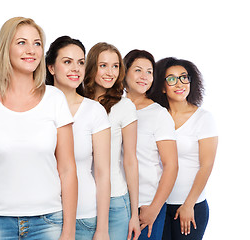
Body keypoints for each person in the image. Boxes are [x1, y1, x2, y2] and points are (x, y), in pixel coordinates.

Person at [0, 17, 78, 240]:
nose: (31, 50)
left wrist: (69, 231)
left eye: (37, 43)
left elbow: (68, 169)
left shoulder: (55, 99)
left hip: (48, 222)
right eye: (22, 42)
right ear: (6, 48)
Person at [45, 36, 111, 240]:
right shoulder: (37, 106)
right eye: (67, 62)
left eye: (81, 62)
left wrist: (102, 229)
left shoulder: (94, 111)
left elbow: (102, 173)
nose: (76, 68)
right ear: (51, 68)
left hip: (84, 217)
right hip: (41, 217)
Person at [152, 57, 218, 240]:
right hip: (158, 206)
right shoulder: (156, 116)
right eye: (171, 79)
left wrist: (189, 204)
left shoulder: (203, 118)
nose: (179, 83)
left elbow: (207, 165)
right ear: (162, 87)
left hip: (190, 206)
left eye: (183, 77)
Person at [84, 42, 141, 240]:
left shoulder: (124, 106)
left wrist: (134, 214)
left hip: (115, 201)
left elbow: (130, 160)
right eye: (103, 65)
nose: (110, 72)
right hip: (81, 200)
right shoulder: (77, 102)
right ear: (91, 67)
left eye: (115, 66)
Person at [123, 50, 178, 240]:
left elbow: (171, 166)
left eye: (149, 71)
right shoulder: (112, 106)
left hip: (146, 204)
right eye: (138, 70)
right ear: (125, 71)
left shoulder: (159, 114)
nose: (144, 76)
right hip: (116, 202)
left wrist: (154, 209)